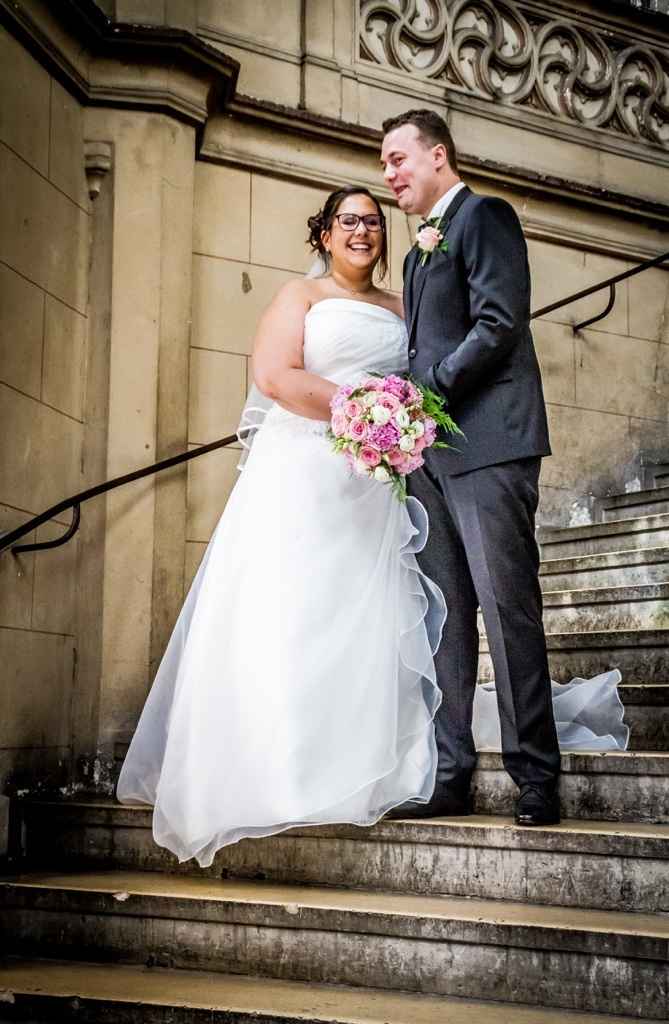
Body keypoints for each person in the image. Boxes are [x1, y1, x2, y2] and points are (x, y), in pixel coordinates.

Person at [115, 186, 447, 867]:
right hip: (300, 472)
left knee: (363, 614)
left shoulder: (402, 305)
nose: (362, 231)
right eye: (347, 221)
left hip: (370, 484)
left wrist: (397, 420)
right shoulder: (298, 299)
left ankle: (363, 762)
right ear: (323, 234)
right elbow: (273, 375)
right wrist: (364, 408)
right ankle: (272, 767)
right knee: (291, 610)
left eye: (373, 221)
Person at [380, 108, 562, 825]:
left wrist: (424, 396)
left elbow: (498, 322)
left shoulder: (484, 216)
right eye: (383, 163)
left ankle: (536, 779)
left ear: (438, 156)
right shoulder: (416, 250)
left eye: (397, 158)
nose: (388, 173)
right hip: (430, 457)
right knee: (446, 619)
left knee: (507, 612)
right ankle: (450, 774)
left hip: (489, 448)